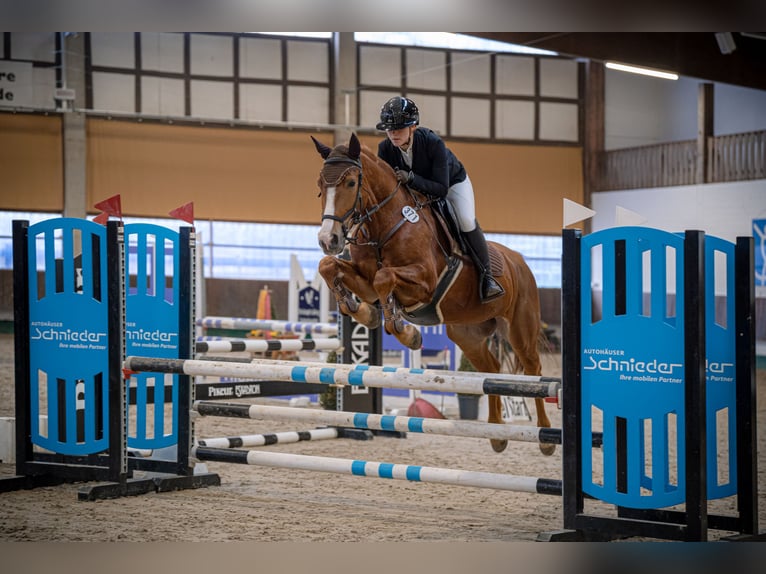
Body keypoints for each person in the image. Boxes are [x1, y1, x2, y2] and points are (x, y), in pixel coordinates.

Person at [375, 96, 505, 303]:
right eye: (390, 130)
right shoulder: (385, 149)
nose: (393, 135)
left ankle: (486, 277)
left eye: (398, 129)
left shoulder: (432, 142)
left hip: (451, 184)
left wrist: (412, 178)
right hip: (413, 191)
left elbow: (440, 189)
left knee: (465, 220)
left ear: (413, 126)